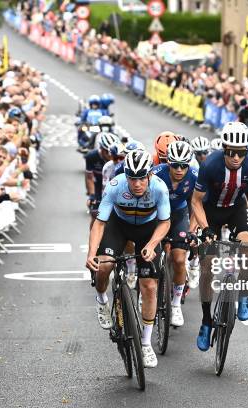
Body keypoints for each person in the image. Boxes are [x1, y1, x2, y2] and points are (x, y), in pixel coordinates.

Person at [86, 150, 171, 368]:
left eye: (141, 177)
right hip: (119, 226)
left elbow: (165, 222)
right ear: (126, 176)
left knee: (150, 286)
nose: (136, 183)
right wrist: (91, 254)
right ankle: (102, 301)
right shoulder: (115, 186)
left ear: (149, 175)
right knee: (104, 267)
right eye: (132, 178)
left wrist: (152, 245)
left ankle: (145, 344)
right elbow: (100, 222)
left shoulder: (160, 188)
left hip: (147, 230)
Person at [190, 122, 248, 352]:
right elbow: (195, 201)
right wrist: (205, 229)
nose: (235, 157)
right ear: (224, 147)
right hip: (210, 210)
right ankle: (206, 321)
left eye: (241, 152)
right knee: (207, 266)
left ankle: (243, 293)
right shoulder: (210, 165)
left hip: (236, 208)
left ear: (247, 150)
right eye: (231, 151)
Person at [151, 141, 198, 327]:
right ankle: (144, 290)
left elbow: (197, 205)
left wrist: (192, 231)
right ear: (168, 163)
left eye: (183, 165)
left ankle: (176, 304)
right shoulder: (155, 174)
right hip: (155, 215)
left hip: (179, 214)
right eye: (175, 165)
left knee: (179, 259)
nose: (179, 169)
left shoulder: (195, 176)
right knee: (149, 256)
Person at [85, 132, 118, 228]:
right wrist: (92, 195)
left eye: (111, 152)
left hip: (114, 186)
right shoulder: (91, 156)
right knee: (95, 216)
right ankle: (93, 241)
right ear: (101, 149)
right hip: (98, 186)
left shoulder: (118, 157)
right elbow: (89, 178)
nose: (110, 155)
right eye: (107, 151)